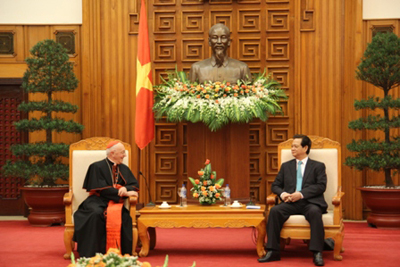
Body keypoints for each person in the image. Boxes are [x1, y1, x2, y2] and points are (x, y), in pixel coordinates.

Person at [258, 135, 327, 266]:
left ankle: (317, 252)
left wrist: (301, 194)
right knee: (275, 211)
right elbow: (275, 185)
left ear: (305, 148)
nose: (292, 149)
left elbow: (321, 186)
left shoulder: (318, 166)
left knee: (315, 213)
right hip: (290, 202)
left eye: (295, 146)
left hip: (309, 202)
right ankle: (273, 251)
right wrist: (283, 194)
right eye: (291, 146)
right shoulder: (286, 166)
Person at [73, 141, 139, 257]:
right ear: (112, 153)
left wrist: (125, 188)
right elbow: (102, 190)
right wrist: (124, 193)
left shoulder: (123, 168)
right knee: (95, 214)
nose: (124, 155)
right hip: (97, 200)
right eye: (122, 153)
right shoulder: (96, 167)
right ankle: (92, 253)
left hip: (115, 202)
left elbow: (134, 185)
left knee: (124, 217)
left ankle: (120, 252)